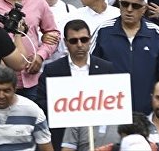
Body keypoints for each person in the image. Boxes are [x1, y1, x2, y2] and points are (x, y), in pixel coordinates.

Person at [89, 0, 159, 114]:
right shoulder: (104, 30)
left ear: (144, 9)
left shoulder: (155, 33)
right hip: (110, 112)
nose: (129, 9)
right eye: (125, 4)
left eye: (135, 6)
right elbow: (88, 68)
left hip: (146, 114)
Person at [36, 19, 117, 150]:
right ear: (66, 43)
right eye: (74, 41)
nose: (79, 45)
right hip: (62, 135)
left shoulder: (106, 68)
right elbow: (41, 102)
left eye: (84, 40)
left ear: (90, 40)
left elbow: (115, 104)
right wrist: (64, 106)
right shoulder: (52, 70)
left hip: (97, 137)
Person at [0, 66, 53, 151]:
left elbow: (46, 147)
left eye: (6, 91)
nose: (1, 95)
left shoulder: (33, 111)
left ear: (15, 89)